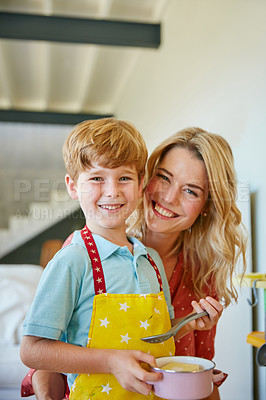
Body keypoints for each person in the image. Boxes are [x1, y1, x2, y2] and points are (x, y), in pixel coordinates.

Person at [20, 119, 222, 400]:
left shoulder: (150, 260)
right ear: (73, 186)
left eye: (124, 178)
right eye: (96, 178)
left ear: (140, 185)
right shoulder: (72, 260)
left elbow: (158, 337)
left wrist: (188, 324)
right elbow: (33, 350)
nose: (112, 191)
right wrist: (110, 361)